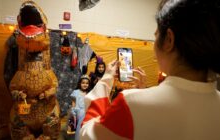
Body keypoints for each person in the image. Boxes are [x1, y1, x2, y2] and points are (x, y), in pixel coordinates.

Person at [79, 0, 220, 139]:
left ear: (169, 40)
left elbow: (87, 135)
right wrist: (145, 93)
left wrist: (105, 81)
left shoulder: (130, 104)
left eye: (156, 34)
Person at [67, 75, 91, 140]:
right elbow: (73, 103)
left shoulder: (89, 93)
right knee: (77, 128)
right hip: (77, 112)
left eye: (87, 83)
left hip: (86, 113)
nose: (85, 85)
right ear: (80, 83)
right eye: (83, 83)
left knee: (85, 129)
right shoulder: (76, 92)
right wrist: (73, 113)